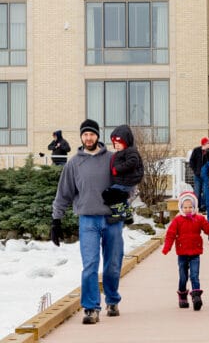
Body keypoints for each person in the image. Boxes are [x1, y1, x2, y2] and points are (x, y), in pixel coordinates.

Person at [51, 119, 122, 324]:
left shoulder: (112, 158)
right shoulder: (74, 162)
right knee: (90, 264)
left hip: (112, 219)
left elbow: (129, 183)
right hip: (88, 220)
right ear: (81, 137)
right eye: (85, 134)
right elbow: (63, 193)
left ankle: (112, 299)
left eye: (92, 134)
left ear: (97, 136)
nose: (88, 138)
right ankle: (91, 308)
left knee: (113, 265)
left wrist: (122, 199)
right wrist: (56, 220)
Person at [162, 191, 209, 310]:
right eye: (185, 207)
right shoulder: (177, 221)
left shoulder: (199, 219)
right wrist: (167, 247)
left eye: (190, 207)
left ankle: (196, 297)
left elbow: (207, 228)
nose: (188, 210)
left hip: (195, 253)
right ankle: (182, 296)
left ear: (194, 207)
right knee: (183, 277)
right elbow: (170, 234)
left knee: (195, 275)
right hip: (182, 253)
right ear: (181, 207)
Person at [101, 125, 144, 224]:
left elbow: (133, 161)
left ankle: (119, 214)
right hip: (124, 181)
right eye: (115, 144)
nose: (116, 146)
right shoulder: (123, 152)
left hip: (126, 182)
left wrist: (117, 169)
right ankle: (128, 216)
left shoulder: (130, 151)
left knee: (109, 195)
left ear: (126, 142)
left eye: (119, 143)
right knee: (121, 198)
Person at [188, 137, 209, 213]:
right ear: (204, 143)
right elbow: (191, 161)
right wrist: (195, 171)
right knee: (197, 192)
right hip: (197, 176)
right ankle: (196, 207)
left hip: (206, 176)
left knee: (205, 192)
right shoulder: (196, 150)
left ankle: (203, 208)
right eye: (208, 143)